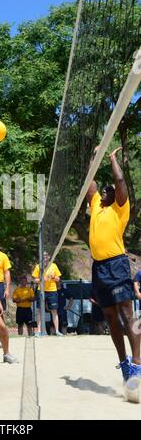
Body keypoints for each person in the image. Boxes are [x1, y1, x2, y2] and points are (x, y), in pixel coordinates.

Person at [87, 146, 141, 383]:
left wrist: (111, 158)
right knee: (110, 316)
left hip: (116, 265)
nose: (108, 189)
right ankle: (125, 364)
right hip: (99, 268)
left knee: (127, 314)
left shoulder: (120, 208)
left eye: (110, 189)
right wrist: (94, 156)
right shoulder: (97, 205)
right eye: (106, 189)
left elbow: (119, 180)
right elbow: (91, 182)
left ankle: (138, 364)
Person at [32, 252, 63, 337]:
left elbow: (58, 279)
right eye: (43, 255)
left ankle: (57, 331)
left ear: (49, 257)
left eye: (46, 255)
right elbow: (34, 280)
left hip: (52, 291)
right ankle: (38, 331)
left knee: (54, 311)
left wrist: (53, 277)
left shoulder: (54, 266)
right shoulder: (38, 266)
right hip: (40, 290)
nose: (45, 257)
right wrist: (42, 279)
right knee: (39, 310)